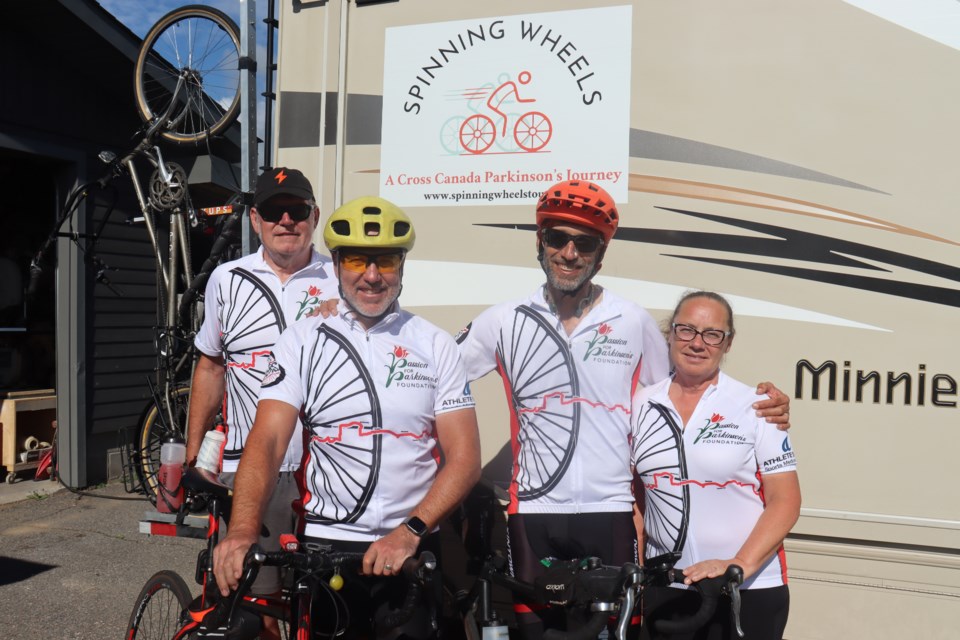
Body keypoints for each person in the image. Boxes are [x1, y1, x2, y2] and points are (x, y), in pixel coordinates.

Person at [454, 180, 791, 639]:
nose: (570, 253)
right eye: (557, 238)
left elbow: (674, 396)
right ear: (540, 241)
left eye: (586, 243)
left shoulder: (632, 322)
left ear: (601, 253)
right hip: (532, 511)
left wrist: (762, 407)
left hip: (611, 512)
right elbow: (433, 381)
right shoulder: (503, 320)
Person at [213, 197, 481, 639]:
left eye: (386, 261)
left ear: (402, 265)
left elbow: (466, 457)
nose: (372, 276)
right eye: (357, 259)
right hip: (327, 550)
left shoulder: (434, 344)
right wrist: (242, 529)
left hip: (410, 546)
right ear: (335, 264)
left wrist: (411, 531)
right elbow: (268, 441)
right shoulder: (301, 340)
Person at [186, 166, 333, 640]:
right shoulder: (226, 280)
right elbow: (210, 368)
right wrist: (193, 459)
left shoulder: (344, 279)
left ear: (314, 215)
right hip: (248, 470)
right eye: (274, 210)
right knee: (259, 606)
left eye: (297, 210)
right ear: (255, 220)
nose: (285, 220)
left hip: (327, 473)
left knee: (324, 606)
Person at [632, 291, 801, 640]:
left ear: (728, 343)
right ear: (671, 333)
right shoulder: (640, 404)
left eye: (712, 334)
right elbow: (635, 497)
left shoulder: (757, 406)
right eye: (686, 330)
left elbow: (786, 500)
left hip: (747, 589)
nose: (697, 343)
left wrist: (737, 565)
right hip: (668, 587)